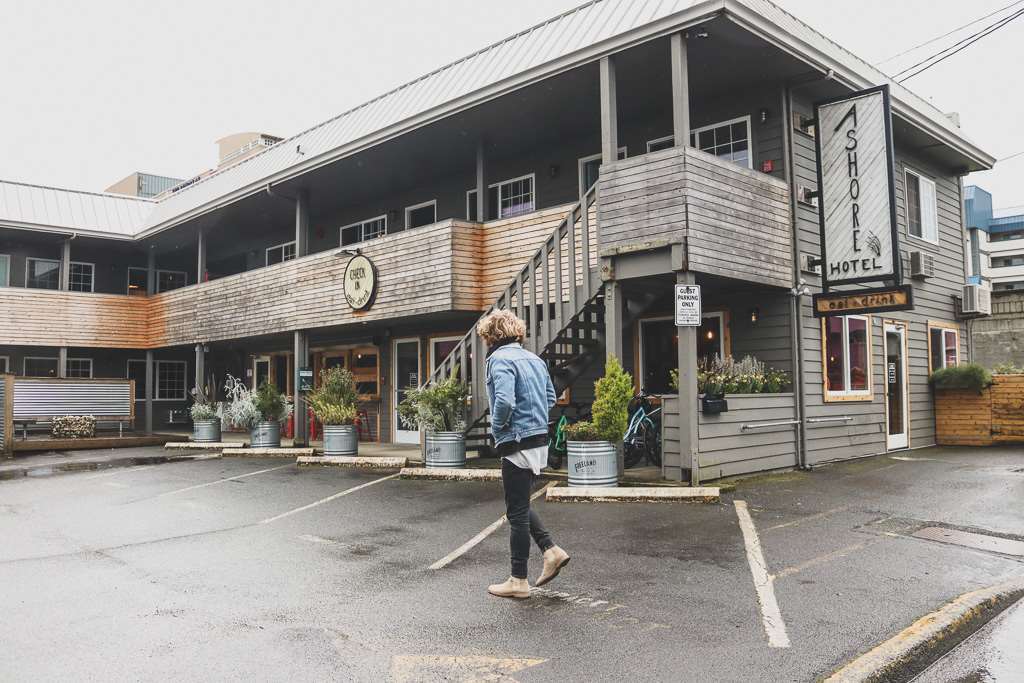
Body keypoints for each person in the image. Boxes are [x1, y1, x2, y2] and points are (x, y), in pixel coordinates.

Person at [476, 310, 570, 599]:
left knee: (516, 511)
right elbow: (551, 397)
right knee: (518, 504)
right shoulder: (534, 359)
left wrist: (498, 425)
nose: (484, 343)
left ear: (492, 336)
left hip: (516, 440)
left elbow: (503, 400)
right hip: (538, 439)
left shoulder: (499, 360)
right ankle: (551, 551)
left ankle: (518, 580)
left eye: (485, 338)